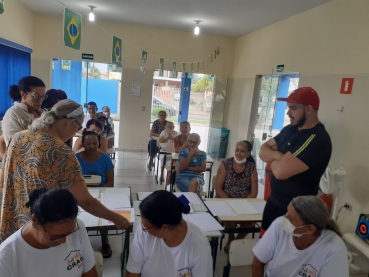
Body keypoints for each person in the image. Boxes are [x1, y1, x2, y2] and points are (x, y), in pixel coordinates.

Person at [0, 99, 129, 243]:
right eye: (77, 127)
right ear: (70, 122)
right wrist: (116, 218)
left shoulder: (18, 137)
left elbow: (2, 181)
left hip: (14, 228)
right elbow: (85, 200)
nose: (75, 133)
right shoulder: (61, 151)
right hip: (43, 231)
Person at [258, 87, 332, 234]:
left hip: (296, 212)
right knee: (265, 249)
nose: (288, 113)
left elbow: (279, 172)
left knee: (285, 253)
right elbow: (262, 151)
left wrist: (274, 155)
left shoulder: (317, 139)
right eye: (288, 108)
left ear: (309, 109)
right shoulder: (290, 129)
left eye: (293, 108)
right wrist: (281, 157)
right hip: (274, 202)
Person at [0, 188, 97, 277]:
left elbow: (90, 273)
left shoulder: (78, 227)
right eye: (54, 236)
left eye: (70, 233)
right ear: (34, 221)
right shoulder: (6, 259)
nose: (63, 241)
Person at [252, 196, 349, 277]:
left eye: (291, 218)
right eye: (287, 212)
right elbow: (258, 262)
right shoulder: (279, 226)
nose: (284, 219)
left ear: (310, 229)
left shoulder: (334, 248)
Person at [126, 190, 212, 277]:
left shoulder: (198, 245)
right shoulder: (142, 232)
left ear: (164, 227)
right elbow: (133, 272)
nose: (142, 228)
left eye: (146, 227)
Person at [76, 131, 114, 258]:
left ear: (98, 143)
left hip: (101, 190)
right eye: (88, 143)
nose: (92, 146)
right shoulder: (76, 158)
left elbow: (110, 182)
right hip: (81, 193)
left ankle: (105, 240)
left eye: (94, 143)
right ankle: (80, 241)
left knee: (102, 212)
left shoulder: (105, 159)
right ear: (82, 144)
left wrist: (99, 192)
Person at [215, 140, 258, 251]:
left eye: (242, 151)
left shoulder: (251, 167)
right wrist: (230, 202)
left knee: (252, 220)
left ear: (248, 154)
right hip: (225, 200)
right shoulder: (226, 164)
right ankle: (231, 236)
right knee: (229, 216)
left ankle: (236, 241)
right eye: (237, 150)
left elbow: (254, 192)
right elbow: (218, 189)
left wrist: (241, 204)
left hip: (244, 202)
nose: (239, 153)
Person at [0, 76, 46, 157]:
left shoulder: (42, 112)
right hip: (24, 161)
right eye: (36, 96)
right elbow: (17, 145)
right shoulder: (13, 114)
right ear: (23, 94)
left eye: (43, 96)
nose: (40, 100)